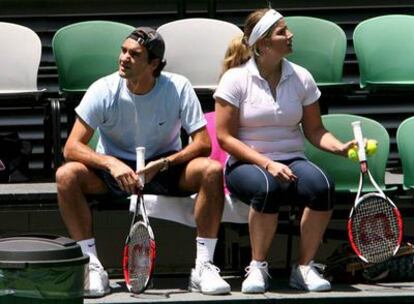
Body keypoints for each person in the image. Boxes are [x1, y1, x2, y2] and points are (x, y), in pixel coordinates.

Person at [55, 27, 231, 297]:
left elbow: (202, 144)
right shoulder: (102, 89)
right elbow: (72, 147)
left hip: (165, 167)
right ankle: (90, 264)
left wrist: (164, 164)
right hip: (114, 171)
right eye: (123, 50)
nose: (124, 58)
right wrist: (110, 164)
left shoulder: (178, 87)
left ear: (154, 63)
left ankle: (203, 265)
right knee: (67, 175)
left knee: (211, 170)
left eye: (134, 54)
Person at [214, 9, 355, 293]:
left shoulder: (302, 77)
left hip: (292, 159)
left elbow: (315, 130)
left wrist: (340, 147)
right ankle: (257, 267)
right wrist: (266, 163)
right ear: (263, 43)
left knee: (322, 186)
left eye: (286, 30)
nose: (290, 35)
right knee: (267, 188)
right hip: (245, 163)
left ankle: (303, 267)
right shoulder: (235, 79)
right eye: (282, 32)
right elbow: (225, 138)